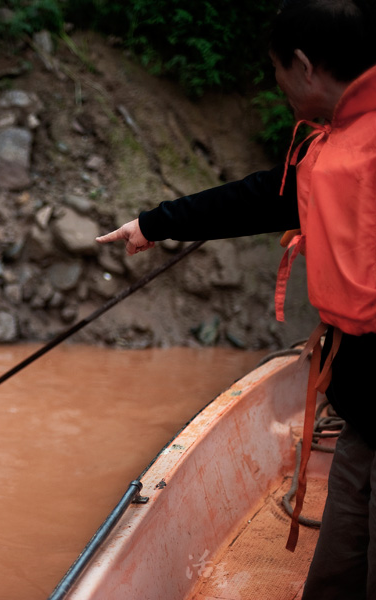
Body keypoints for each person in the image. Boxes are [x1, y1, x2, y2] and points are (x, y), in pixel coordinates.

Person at [96, 1, 376, 598]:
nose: (279, 90)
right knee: (334, 576)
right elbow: (262, 197)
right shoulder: (341, 142)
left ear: (302, 66)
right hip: (365, 413)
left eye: (277, 73)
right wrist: (155, 222)